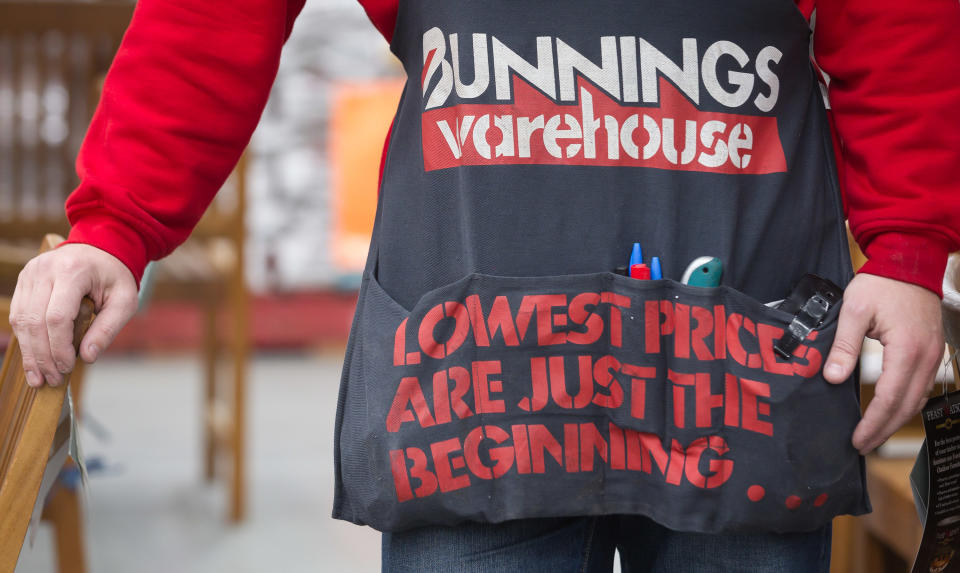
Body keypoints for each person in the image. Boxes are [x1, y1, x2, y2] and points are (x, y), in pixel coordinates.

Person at [8, 0, 959, 570]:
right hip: (476, 379)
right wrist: (119, 223)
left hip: (739, 359)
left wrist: (909, 246)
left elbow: (894, 15)